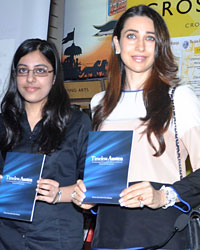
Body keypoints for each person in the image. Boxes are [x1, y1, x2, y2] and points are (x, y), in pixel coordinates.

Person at [71, 4, 200, 250]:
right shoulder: (100, 103)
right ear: (117, 44)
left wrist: (163, 195)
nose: (140, 46)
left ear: (159, 47)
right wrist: (87, 195)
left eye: (149, 38)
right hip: (108, 236)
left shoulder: (179, 97)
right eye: (132, 36)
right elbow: (104, 175)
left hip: (162, 235)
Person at [0, 38, 91, 250]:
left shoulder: (77, 123)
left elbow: (95, 187)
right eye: (23, 71)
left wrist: (60, 194)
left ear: (54, 76)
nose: (30, 78)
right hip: (6, 236)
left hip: (56, 236)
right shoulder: (3, 123)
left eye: (40, 71)